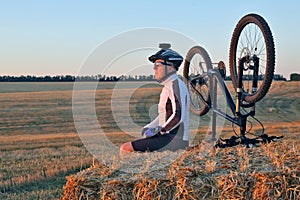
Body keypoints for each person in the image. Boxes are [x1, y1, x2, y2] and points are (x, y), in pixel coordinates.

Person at [120, 46, 190, 155]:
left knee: (125, 148)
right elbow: (164, 115)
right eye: (154, 65)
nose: (154, 68)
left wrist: (159, 131)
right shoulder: (168, 86)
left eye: (158, 65)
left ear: (171, 67)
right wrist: (149, 127)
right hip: (168, 137)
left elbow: (178, 116)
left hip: (174, 139)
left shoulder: (175, 85)